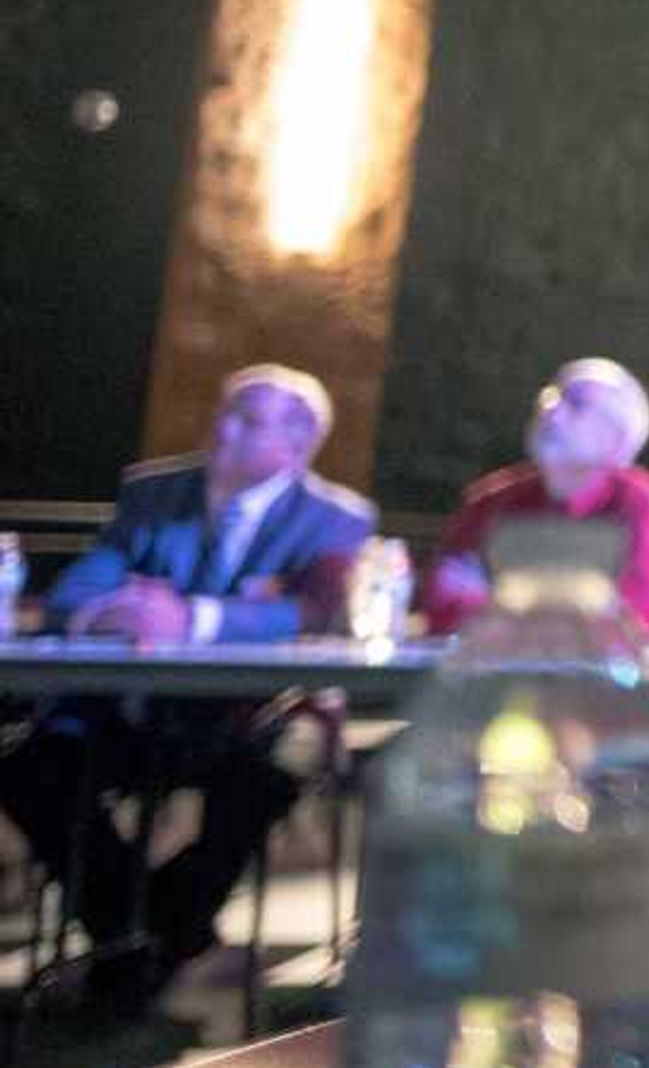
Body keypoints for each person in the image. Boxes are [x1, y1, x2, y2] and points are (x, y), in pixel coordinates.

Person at [0, 364, 376, 1016]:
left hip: (250, 714)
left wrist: (194, 616)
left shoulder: (333, 519)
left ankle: (151, 934)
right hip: (134, 709)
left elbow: (311, 613)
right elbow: (77, 592)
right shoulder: (154, 492)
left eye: (248, 419)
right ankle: (141, 933)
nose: (223, 428)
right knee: (30, 764)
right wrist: (109, 611)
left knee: (267, 772)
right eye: (225, 411)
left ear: (299, 442)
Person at [419, 357, 649, 636]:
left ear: (617, 438)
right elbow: (441, 608)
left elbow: (641, 615)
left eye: (578, 405)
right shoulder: (491, 498)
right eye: (551, 399)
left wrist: (500, 604)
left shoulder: (638, 499)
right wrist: (579, 608)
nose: (551, 412)